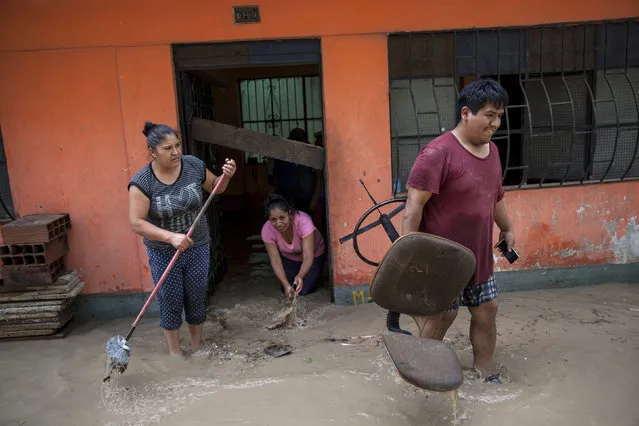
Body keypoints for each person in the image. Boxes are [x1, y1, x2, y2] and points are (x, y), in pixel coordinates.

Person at [400, 78, 515, 384]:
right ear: (466, 113)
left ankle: (485, 373)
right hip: (442, 262)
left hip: (478, 257)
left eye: (499, 116)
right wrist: (409, 257)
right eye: (489, 115)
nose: (495, 123)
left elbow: (495, 196)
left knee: (487, 310)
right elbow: (413, 209)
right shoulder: (437, 153)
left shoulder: (492, 152)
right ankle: (421, 376)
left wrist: (507, 227)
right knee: (442, 316)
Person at [128, 121, 236, 356]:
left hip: (197, 244)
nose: (176, 152)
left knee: (197, 295)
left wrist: (226, 177)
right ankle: (175, 353)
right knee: (170, 298)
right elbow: (136, 222)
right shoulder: (142, 182)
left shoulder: (193, 166)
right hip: (163, 250)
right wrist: (171, 237)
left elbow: (216, 188)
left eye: (177, 145)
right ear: (152, 152)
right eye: (168, 148)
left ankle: (197, 347)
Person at [261, 194, 326, 299]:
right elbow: (276, 261)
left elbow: (308, 256)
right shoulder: (267, 230)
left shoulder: (304, 222)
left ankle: (317, 274)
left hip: (314, 256)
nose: (278, 223)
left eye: (282, 217)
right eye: (273, 220)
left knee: (303, 291)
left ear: (290, 214)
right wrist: (285, 284)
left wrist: (300, 275)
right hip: (290, 258)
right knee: (287, 290)